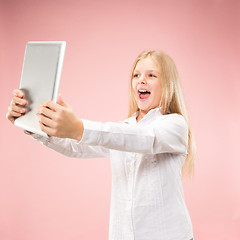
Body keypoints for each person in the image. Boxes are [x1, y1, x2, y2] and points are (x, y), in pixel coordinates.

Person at [6, 50, 196, 240]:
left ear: (168, 84)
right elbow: (77, 146)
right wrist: (31, 122)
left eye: (151, 75)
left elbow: (143, 138)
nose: (141, 80)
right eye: (136, 75)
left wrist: (78, 127)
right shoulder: (122, 128)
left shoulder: (175, 125)